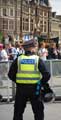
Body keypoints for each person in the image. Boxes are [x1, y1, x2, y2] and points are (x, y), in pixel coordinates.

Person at [8, 39, 50, 120]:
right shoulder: (37, 59)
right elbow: (47, 74)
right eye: (35, 47)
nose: (36, 49)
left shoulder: (18, 59)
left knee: (18, 112)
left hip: (21, 89)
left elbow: (10, 74)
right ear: (32, 48)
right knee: (38, 113)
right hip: (35, 90)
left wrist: (18, 81)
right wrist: (40, 83)